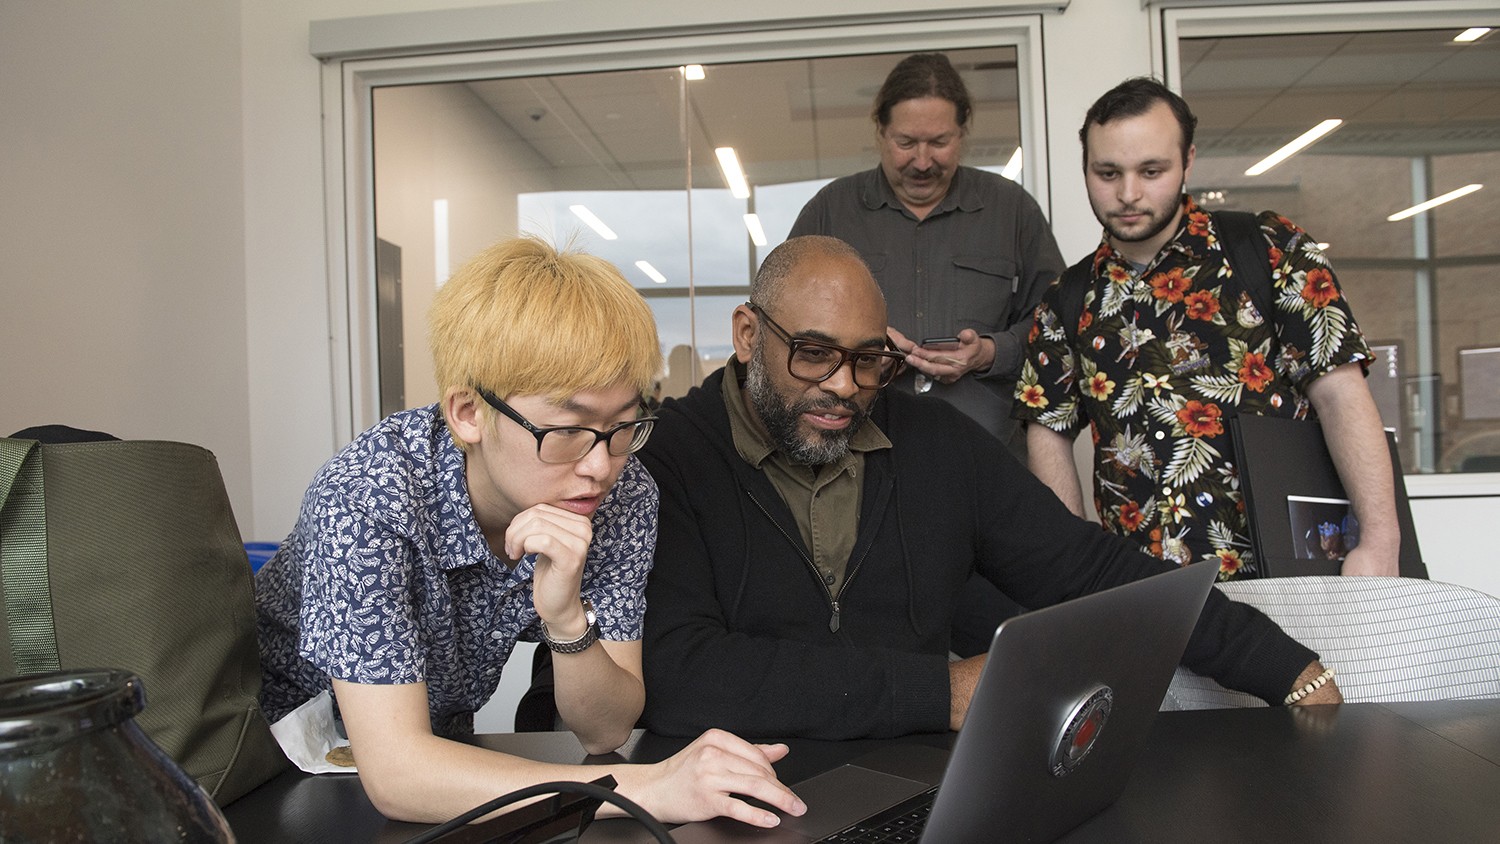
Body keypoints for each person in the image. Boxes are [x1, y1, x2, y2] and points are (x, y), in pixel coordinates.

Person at [636, 235, 1340, 742]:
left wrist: (1280, 665)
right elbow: (678, 672)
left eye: (869, 360)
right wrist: (938, 693)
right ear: (747, 333)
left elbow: (1088, 569)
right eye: (814, 354)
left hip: (906, 786)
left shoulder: (934, 444)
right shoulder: (668, 458)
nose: (844, 387)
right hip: (728, 796)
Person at [255, 237, 805, 828]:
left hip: (441, 760)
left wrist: (568, 620)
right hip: (275, 772)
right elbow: (397, 774)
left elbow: (606, 727)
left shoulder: (622, 489)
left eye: (622, 426)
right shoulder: (367, 493)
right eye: (566, 430)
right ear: (468, 413)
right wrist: (645, 789)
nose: (599, 464)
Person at [1014, 77, 1399, 580]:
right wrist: (1076, 572)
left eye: (1151, 171)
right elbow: (1048, 430)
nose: (1128, 194)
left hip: (1289, 573)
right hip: (1145, 593)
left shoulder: (1267, 249)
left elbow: (1340, 395)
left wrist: (1379, 540)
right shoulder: (1067, 299)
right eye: (1107, 172)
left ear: (1188, 161)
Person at [788, 52, 1065, 455]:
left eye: (939, 142)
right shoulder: (830, 210)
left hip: (987, 460)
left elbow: (1056, 325)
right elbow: (784, 321)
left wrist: (991, 352)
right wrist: (857, 353)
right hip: (856, 461)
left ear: (962, 133)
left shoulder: (1013, 210)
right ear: (880, 132)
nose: (922, 161)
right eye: (906, 143)